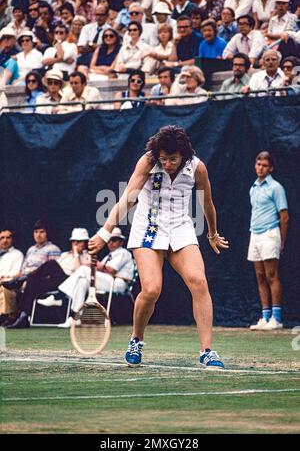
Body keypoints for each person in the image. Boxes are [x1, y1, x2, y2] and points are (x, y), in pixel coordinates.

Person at [88, 125, 229, 368]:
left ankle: (207, 351)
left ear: (183, 154)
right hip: (148, 228)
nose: (167, 164)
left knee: (199, 281)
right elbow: (128, 198)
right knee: (152, 289)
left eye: (172, 159)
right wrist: (105, 231)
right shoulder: (148, 161)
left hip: (180, 228)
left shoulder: (197, 167)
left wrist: (213, 234)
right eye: (163, 159)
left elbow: (207, 204)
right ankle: (136, 339)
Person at [6, 227, 90, 328]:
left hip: (71, 282)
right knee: (32, 281)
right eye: (74, 241)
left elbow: (79, 272)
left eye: (79, 242)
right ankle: (23, 316)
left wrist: (76, 254)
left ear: (85, 243)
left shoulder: (87, 256)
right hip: (57, 282)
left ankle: (21, 280)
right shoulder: (64, 255)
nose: (76, 244)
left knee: (51, 263)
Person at [57, 227, 135, 328]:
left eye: (114, 240)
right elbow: (99, 270)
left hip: (119, 284)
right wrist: (93, 264)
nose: (111, 243)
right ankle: (75, 317)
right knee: (82, 281)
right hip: (108, 281)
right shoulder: (109, 255)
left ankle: (59, 296)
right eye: (109, 240)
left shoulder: (123, 252)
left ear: (121, 242)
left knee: (83, 270)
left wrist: (94, 263)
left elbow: (111, 270)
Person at [248, 151, 289, 331]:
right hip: (254, 234)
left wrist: (282, 241)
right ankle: (265, 317)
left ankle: (276, 318)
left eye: (264, 165)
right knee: (260, 276)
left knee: (272, 275)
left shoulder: (276, 188)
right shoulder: (253, 188)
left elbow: (284, 217)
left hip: (270, 234)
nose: (261, 168)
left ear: (270, 168)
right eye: (258, 164)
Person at [0, 229, 24, 326]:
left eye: (8, 237)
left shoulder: (17, 254)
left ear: (12, 239)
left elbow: (16, 273)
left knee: (4, 286)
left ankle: (6, 316)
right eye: (2, 238)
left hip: (11, 282)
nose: (5, 240)